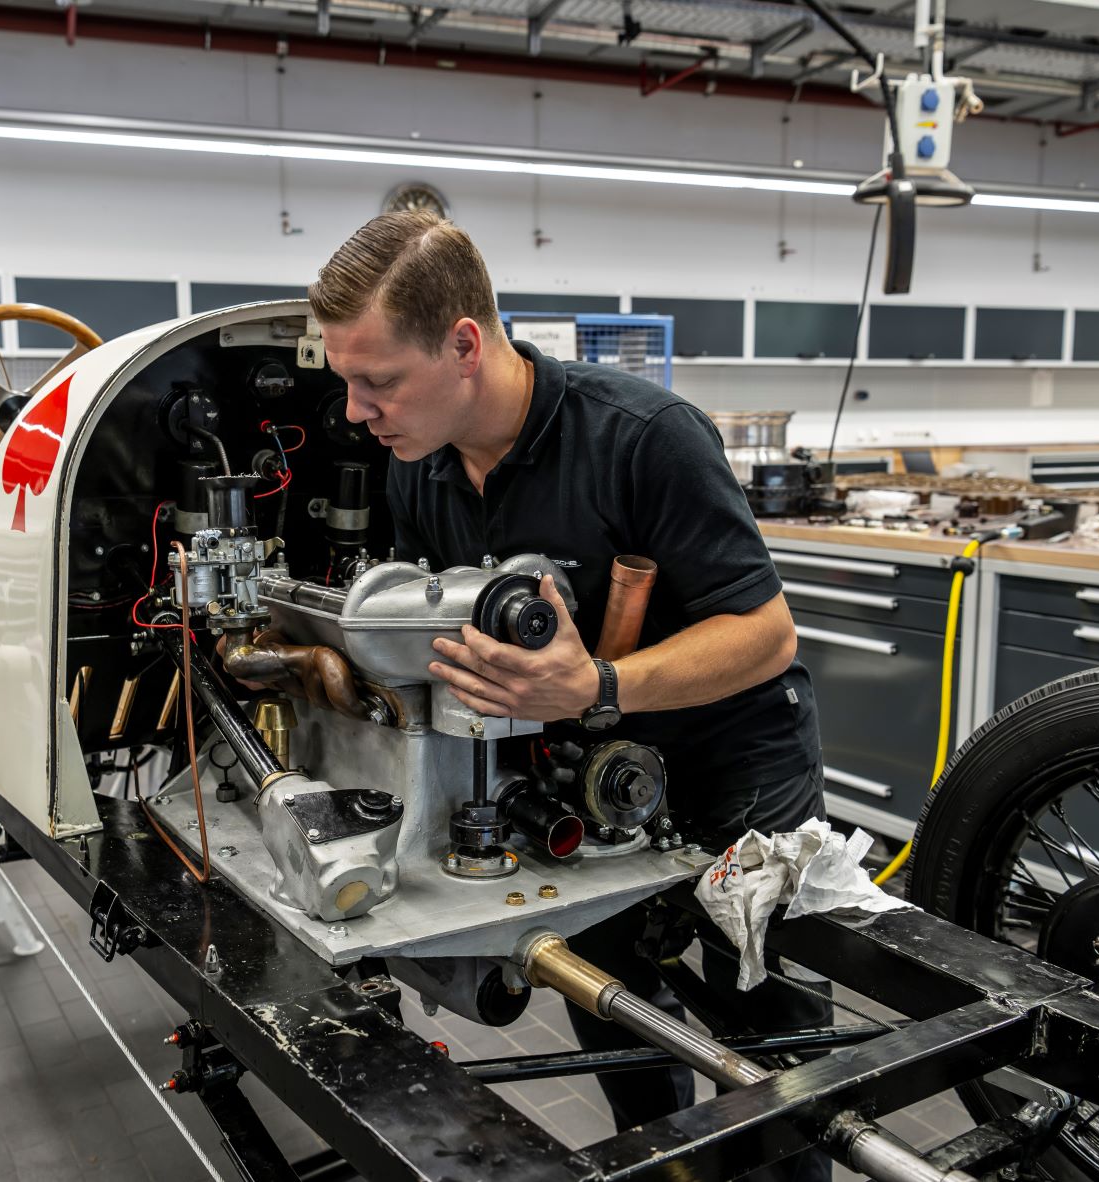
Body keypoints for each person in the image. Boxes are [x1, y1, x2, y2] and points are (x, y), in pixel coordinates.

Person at [308, 211, 829, 1182]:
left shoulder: (644, 438)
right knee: (617, 1000)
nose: (354, 409)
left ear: (464, 344)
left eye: (376, 380)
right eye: (347, 380)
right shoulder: (416, 469)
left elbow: (766, 635)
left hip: (731, 766)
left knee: (770, 1037)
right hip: (588, 777)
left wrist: (598, 685)